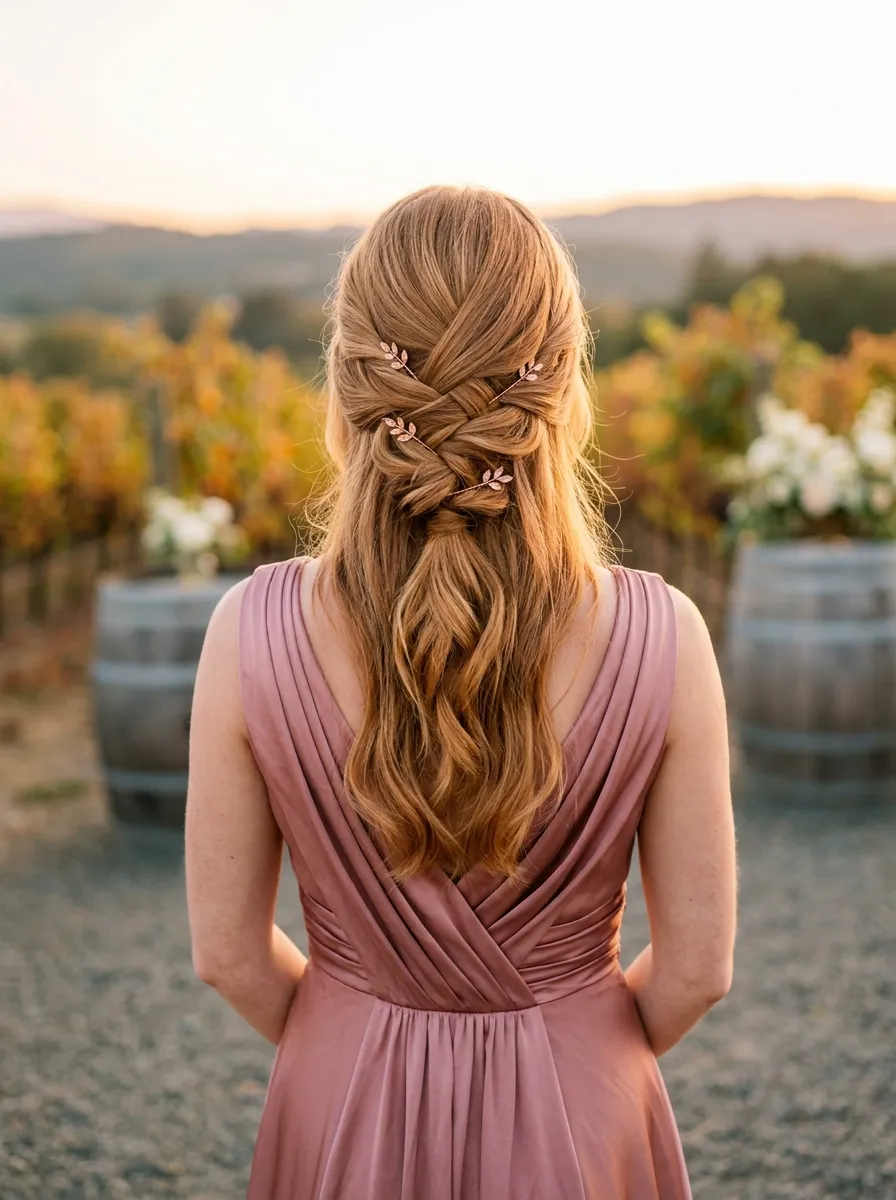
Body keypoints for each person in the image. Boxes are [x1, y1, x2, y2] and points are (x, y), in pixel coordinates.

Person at [185, 185, 737, 1200]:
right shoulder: (668, 637)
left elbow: (228, 955)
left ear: (346, 388)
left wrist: (357, 1027)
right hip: (584, 1112)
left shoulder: (244, 632)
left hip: (336, 1095)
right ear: (563, 391)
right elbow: (697, 969)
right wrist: (569, 1037)